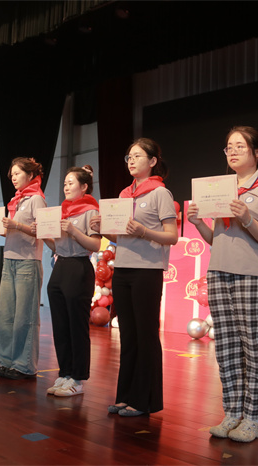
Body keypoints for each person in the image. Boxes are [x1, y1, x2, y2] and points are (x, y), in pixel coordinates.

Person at [187, 126, 258, 441]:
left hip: (253, 274)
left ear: (257, 151)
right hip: (220, 272)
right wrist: (198, 223)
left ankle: (254, 418)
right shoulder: (222, 189)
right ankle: (232, 412)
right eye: (229, 147)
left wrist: (247, 218)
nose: (232, 151)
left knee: (253, 346)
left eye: (240, 146)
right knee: (227, 346)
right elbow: (217, 239)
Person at [90, 138, 178, 416]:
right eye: (129, 156)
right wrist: (103, 228)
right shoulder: (124, 195)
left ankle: (144, 400)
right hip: (123, 269)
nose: (131, 160)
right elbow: (120, 237)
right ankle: (125, 396)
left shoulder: (160, 193)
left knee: (145, 334)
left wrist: (144, 231)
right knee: (127, 335)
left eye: (137, 156)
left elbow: (172, 236)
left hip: (147, 270)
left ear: (152, 161)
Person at [40, 166, 101, 396]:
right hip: (61, 266)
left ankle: (78, 378)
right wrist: (44, 235)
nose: (66, 187)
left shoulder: (91, 211)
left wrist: (74, 231)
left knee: (77, 326)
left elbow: (96, 245)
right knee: (60, 325)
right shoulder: (63, 212)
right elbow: (57, 247)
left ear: (84, 187)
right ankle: (64, 373)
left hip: (79, 267)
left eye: (71, 183)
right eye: (65, 183)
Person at [0, 158, 46, 379]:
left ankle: (24, 365)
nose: (13, 178)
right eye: (12, 175)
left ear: (30, 175)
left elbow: (43, 230)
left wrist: (16, 225)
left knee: (25, 317)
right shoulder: (16, 200)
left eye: (17, 173)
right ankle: (7, 360)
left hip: (28, 261)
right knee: (5, 315)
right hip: (9, 259)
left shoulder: (37, 199)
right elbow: (12, 231)